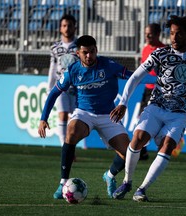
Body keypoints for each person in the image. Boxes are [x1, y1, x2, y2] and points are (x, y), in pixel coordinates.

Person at [110, 16, 186, 202]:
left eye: (179, 33)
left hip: (179, 114)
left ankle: (142, 189)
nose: (174, 37)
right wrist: (123, 102)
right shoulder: (160, 54)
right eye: (172, 33)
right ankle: (127, 181)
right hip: (156, 107)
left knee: (167, 146)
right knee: (137, 139)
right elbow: (135, 77)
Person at [38, 35, 155, 199]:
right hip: (84, 113)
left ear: (96, 50)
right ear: (78, 53)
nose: (89, 56)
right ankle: (63, 182)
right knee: (70, 132)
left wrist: (158, 80)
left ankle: (110, 175)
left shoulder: (108, 65)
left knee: (129, 153)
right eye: (85, 52)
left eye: (92, 52)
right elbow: (54, 93)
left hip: (108, 115)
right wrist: (44, 118)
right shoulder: (72, 71)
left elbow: (132, 75)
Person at [47, 14, 87, 150]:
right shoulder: (55, 47)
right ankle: (65, 148)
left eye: (70, 25)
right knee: (63, 115)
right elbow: (52, 68)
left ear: (75, 27)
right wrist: (50, 87)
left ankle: (72, 145)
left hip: (77, 87)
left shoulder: (80, 47)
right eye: (64, 25)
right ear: (60, 28)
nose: (67, 28)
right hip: (61, 86)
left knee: (77, 119)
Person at [138, 23, 166, 160]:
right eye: (146, 33)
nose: (147, 36)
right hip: (147, 90)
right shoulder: (145, 49)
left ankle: (164, 150)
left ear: (157, 34)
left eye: (150, 33)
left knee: (155, 122)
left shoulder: (164, 50)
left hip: (159, 92)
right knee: (141, 119)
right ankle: (142, 151)